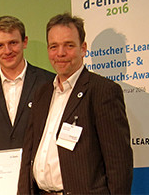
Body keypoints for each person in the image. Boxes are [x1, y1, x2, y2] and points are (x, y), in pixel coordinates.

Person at [18, 13, 133, 194]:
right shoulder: (42, 93)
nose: (60, 53)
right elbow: (29, 153)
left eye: (69, 45)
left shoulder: (103, 91)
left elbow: (119, 163)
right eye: (54, 46)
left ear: (83, 48)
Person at [0, 15, 55, 194]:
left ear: (25, 42)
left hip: (37, 187)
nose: (7, 51)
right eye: (0, 45)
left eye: (13, 43)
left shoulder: (47, 82)